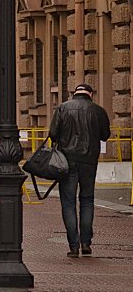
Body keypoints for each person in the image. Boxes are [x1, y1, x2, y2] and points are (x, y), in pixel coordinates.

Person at [49, 83, 111, 257]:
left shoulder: (62, 108)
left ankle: (73, 245)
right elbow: (105, 135)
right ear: (90, 94)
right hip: (89, 161)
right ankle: (86, 243)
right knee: (87, 199)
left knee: (68, 202)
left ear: (74, 93)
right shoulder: (98, 110)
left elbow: (53, 133)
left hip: (66, 162)